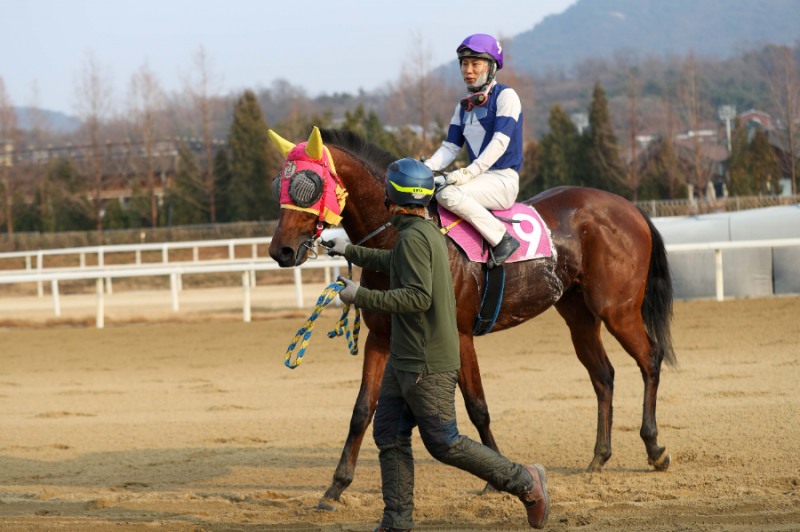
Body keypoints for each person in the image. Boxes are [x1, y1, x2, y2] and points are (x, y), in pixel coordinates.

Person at [324, 157, 549, 531]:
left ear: (393, 194)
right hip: (405, 358)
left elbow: (415, 298)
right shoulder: (420, 232)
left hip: (426, 360)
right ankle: (397, 521)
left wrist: (358, 295)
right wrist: (347, 250)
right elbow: (393, 260)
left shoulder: (413, 237)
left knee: (444, 443)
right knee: (389, 434)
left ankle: (526, 482)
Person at [423, 33, 524, 268]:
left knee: (446, 194)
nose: (468, 70)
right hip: (479, 179)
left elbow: (500, 142)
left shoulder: (507, 96)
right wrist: (425, 168)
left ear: (490, 68)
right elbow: (450, 146)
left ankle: (502, 239)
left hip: (502, 180)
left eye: (475, 63)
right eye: (464, 63)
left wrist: (468, 173)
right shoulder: (463, 106)